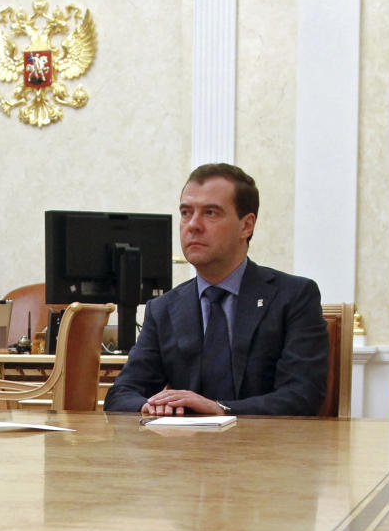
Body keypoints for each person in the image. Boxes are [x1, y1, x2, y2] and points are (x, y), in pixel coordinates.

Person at [103, 163, 329, 416]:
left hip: (267, 448)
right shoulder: (164, 308)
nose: (193, 225)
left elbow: (302, 396)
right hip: (184, 449)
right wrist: (152, 406)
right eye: (186, 213)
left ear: (247, 226)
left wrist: (221, 409)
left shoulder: (293, 296)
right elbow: (121, 395)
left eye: (210, 213)